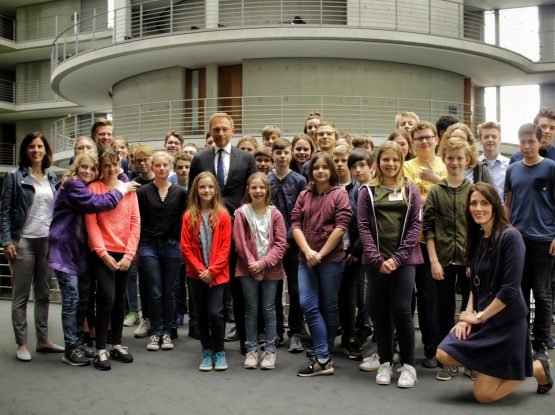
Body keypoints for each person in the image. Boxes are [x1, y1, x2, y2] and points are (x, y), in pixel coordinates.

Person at [437, 182, 553, 403]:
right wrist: (466, 317)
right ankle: (505, 367)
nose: (478, 208)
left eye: (484, 203)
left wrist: (479, 317)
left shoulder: (512, 237)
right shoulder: (478, 237)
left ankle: (536, 367)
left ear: (495, 206)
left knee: (484, 396)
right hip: (483, 317)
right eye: (473, 203)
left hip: (507, 322)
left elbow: (510, 290)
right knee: (444, 353)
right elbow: (475, 284)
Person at [48, 153, 139, 366]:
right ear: (76, 167)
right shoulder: (73, 184)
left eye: (91, 168)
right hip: (65, 247)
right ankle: (72, 348)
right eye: (84, 167)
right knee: (73, 299)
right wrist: (123, 188)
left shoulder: (110, 184)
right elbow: (96, 203)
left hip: (82, 251)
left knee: (83, 299)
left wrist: (122, 181)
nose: (87, 171)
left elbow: (134, 221)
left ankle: (80, 344)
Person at [188, 112, 257, 355]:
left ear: (232, 130)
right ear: (210, 130)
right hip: (206, 236)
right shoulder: (200, 158)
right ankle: (208, 343)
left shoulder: (246, 158)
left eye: (224, 129)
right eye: (215, 129)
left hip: (237, 232)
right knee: (207, 289)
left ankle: (243, 342)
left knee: (237, 291)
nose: (220, 133)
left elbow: (252, 194)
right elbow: (192, 196)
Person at [357, 142, 422, 388]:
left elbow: (416, 227)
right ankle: (385, 361)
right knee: (381, 313)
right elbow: (362, 226)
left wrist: (397, 258)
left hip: (404, 261)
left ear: (401, 160)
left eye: (395, 159)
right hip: (375, 263)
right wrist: (377, 259)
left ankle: (408, 365)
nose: (391, 164)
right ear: (378, 162)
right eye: (386, 159)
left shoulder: (411, 189)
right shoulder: (367, 191)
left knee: (402, 311)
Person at [0, 132, 60, 362]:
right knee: (21, 296)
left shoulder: (52, 178)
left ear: (45, 150)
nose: (36, 150)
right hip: (23, 241)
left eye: (40, 146)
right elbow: (5, 212)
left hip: (47, 241)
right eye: (31, 146)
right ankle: (22, 343)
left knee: (44, 294)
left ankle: (43, 340)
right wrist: (6, 241)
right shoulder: (14, 177)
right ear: (26, 150)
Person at [292, 152, 351, 376]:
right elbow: (295, 223)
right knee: (308, 304)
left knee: (329, 306)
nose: (320, 171)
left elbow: (341, 226)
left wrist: (321, 254)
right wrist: (308, 251)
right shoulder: (304, 195)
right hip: (305, 258)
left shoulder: (340, 195)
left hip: (331, 260)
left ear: (331, 171)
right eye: (316, 167)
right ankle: (323, 356)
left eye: (325, 167)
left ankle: (322, 357)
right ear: (311, 171)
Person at [85, 148, 140, 370]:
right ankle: (100, 349)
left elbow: (135, 223)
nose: (111, 169)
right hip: (102, 252)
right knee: (106, 296)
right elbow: (92, 225)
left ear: (121, 166)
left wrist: (129, 255)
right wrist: (103, 254)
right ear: (100, 167)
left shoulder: (130, 191)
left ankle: (116, 344)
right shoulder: (94, 188)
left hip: (124, 252)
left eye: (115, 164)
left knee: (120, 299)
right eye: (106, 165)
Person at [424, 138, 473, 381]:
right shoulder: (435, 191)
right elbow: (429, 229)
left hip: (468, 263)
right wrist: (433, 260)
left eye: (459, 158)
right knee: (444, 310)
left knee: (469, 310)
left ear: (467, 161)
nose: (454, 162)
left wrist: (473, 260)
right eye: (450, 158)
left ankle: (469, 359)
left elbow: (479, 229)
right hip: (442, 261)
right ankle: (448, 359)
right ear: (444, 159)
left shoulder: (474, 191)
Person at [505, 123, 555, 353]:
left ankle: (541, 341)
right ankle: (521, 336)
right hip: (517, 239)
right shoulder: (512, 169)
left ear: (540, 141)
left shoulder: (550, 168)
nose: (526, 146)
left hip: (544, 239)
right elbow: (508, 203)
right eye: (523, 141)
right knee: (519, 290)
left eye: (531, 142)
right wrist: (506, 231)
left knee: (542, 292)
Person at [403, 121, 447, 368]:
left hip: (437, 243)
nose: (424, 142)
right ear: (413, 142)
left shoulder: (444, 165)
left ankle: (432, 348)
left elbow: (453, 196)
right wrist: (437, 193)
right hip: (411, 242)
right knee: (407, 297)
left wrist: (434, 182)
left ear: (436, 139)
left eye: (428, 137)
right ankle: (405, 345)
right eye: (419, 138)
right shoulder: (407, 167)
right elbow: (410, 199)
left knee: (430, 298)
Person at [233, 172, 287, 369]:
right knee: (251, 310)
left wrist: (263, 264)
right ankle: (251, 349)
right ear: (248, 189)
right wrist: (252, 264)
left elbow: (281, 244)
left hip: (271, 270)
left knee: (269, 310)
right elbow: (239, 243)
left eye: (261, 187)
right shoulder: (241, 213)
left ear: (267, 190)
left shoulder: (276, 214)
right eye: (254, 187)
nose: (258, 191)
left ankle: (270, 351)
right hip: (247, 270)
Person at [181, 172, 232, 371]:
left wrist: (212, 270)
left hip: (217, 275)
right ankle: (206, 351)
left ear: (216, 190)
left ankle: (219, 351)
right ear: (196, 190)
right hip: (196, 275)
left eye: (210, 187)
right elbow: (185, 248)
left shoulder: (223, 215)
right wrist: (202, 270)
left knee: (215, 313)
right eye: (202, 187)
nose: (206, 190)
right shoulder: (188, 216)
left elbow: (225, 248)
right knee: (201, 314)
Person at [138, 152, 187, 352]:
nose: (161, 168)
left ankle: (167, 330)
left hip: (173, 246)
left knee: (170, 291)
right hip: (148, 246)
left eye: (165, 164)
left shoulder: (180, 192)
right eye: (157, 165)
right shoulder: (142, 192)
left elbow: (185, 222)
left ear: (171, 167)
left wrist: (184, 246)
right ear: (152, 167)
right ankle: (155, 331)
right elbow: (137, 220)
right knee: (155, 291)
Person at [268, 138, 307, 353]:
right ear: (273, 154)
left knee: (295, 290)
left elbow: (302, 213)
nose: (282, 156)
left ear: (291, 155)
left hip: (294, 244)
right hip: (271, 245)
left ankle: (295, 333)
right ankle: (275, 332)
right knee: (273, 289)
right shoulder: (266, 180)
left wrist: (290, 238)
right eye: (278, 152)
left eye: (286, 152)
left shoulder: (300, 180)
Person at [478, 121, 509, 202]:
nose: (490, 139)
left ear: (500, 140)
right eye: (486, 137)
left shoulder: (509, 165)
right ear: (480, 140)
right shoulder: (474, 165)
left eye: (494, 137)